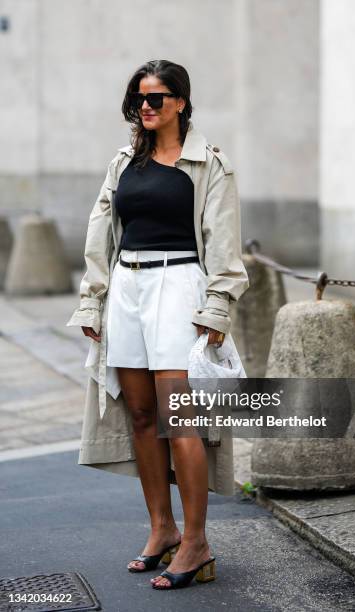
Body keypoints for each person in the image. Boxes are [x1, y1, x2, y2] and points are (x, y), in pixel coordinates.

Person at [66, 59, 249, 590]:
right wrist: (92, 302)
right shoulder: (124, 161)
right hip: (127, 287)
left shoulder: (209, 163)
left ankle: (197, 540)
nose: (146, 106)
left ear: (181, 103)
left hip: (179, 286)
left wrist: (217, 306)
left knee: (179, 418)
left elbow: (224, 243)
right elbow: (99, 236)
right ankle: (162, 527)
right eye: (140, 98)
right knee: (142, 416)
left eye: (157, 98)